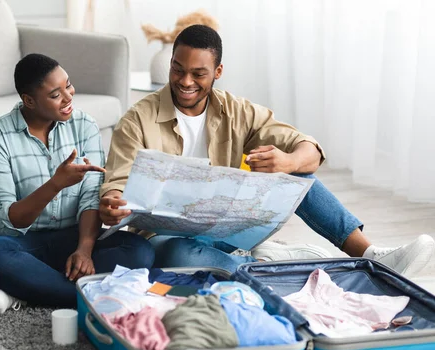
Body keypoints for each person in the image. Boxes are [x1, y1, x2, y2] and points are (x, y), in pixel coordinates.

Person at [99, 25, 435, 275]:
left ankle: (371, 254)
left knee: (300, 175)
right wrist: (114, 204)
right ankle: (268, 265)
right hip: (171, 239)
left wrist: (288, 161)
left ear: (217, 72)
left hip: (229, 230)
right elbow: (117, 183)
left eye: (198, 74)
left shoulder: (236, 110)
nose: (186, 82)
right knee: (178, 258)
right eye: (178, 69)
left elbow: (311, 150)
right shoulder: (137, 120)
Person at [0, 54, 155, 315]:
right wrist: (56, 184)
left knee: (139, 251)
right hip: (23, 243)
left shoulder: (84, 126)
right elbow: (4, 225)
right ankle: (85, 295)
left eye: (68, 85)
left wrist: (84, 250)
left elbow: (92, 196)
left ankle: (25, 292)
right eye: (56, 94)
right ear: (29, 101)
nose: (69, 97)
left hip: (75, 237)